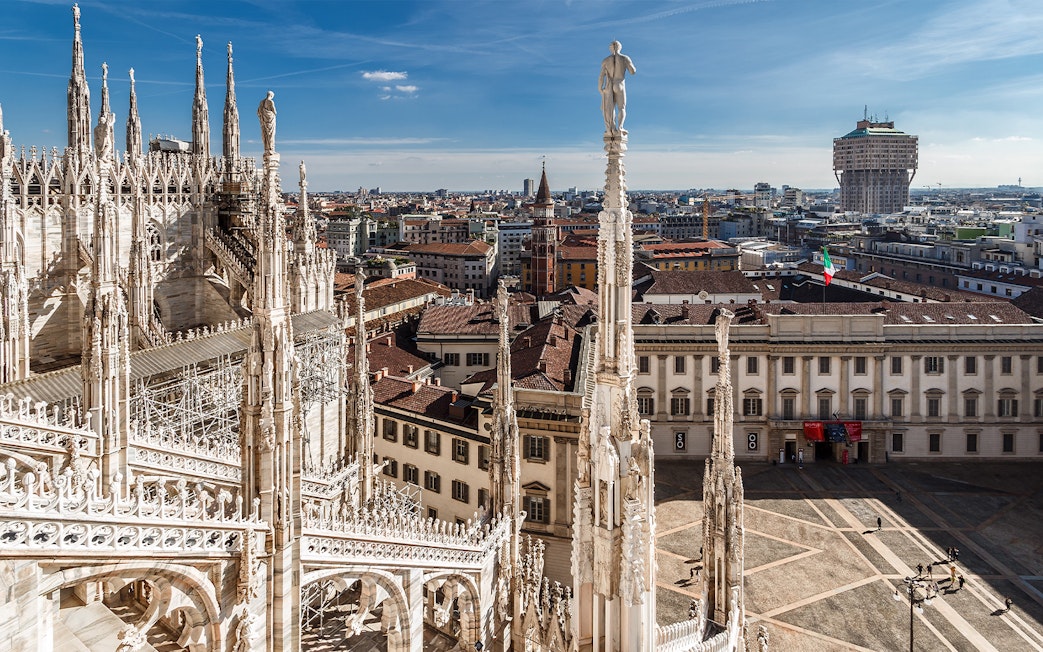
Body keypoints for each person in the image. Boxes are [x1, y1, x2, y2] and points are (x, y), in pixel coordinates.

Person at [598, 41, 636, 135]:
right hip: (619, 84)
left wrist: (600, 88)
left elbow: (601, 76)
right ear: (620, 47)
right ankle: (620, 127)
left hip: (609, 86)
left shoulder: (605, 60)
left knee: (610, 108)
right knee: (621, 108)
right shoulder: (625, 58)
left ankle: (611, 128)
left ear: (610, 48)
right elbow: (633, 71)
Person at [257, 90, 277, 155]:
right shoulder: (271, 102)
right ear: (271, 96)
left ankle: (267, 148)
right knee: (271, 134)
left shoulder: (261, 102)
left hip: (264, 122)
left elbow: (258, 112)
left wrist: (263, 115)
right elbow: (275, 112)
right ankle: (271, 148)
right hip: (271, 121)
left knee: (265, 134)